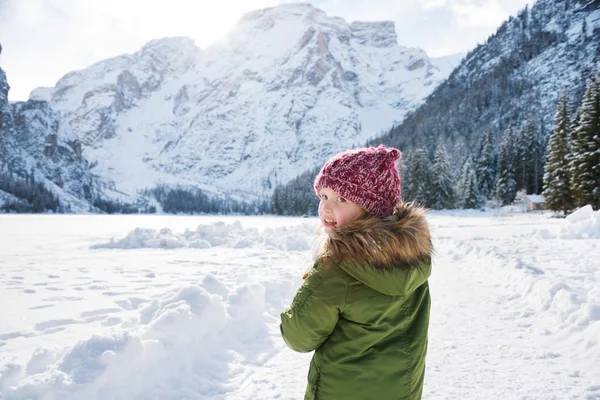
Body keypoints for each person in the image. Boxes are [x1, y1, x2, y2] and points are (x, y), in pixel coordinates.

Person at [280, 145, 433, 400]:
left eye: (342, 199)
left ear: (370, 208)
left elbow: (299, 336)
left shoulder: (337, 268)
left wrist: (309, 288)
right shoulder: (412, 256)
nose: (326, 208)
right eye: (323, 196)